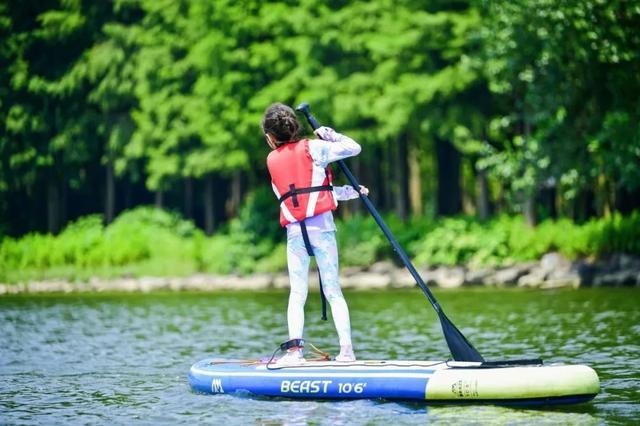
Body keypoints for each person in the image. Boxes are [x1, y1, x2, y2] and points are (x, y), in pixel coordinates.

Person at [262, 102, 368, 365]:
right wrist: (329, 135)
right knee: (333, 291)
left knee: (297, 294)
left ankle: (295, 353)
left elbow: (293, 197)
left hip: (296, 234)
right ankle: (347, 352)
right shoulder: (315, 147)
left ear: (269, 137)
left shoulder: (271, 160)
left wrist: (347, 192)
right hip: (322, 229)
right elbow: (354, 148)